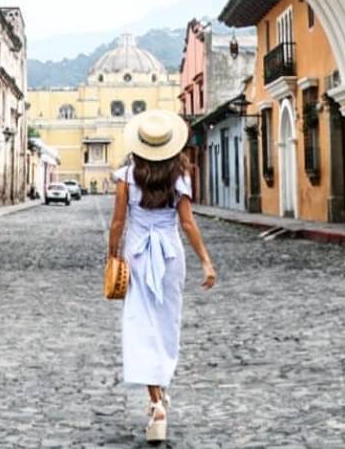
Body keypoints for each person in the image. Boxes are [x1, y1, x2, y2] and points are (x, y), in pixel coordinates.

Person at [107, 110, 217, 444]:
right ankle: (161, 388)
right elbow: (187, 223)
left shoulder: (127, 175)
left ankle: (156, 402)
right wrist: (206, 262)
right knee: (167, 323)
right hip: (171, 256)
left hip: (139, 256)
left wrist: (113, 255)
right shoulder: (180, 177)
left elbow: (117, 222)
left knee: (142, 326)